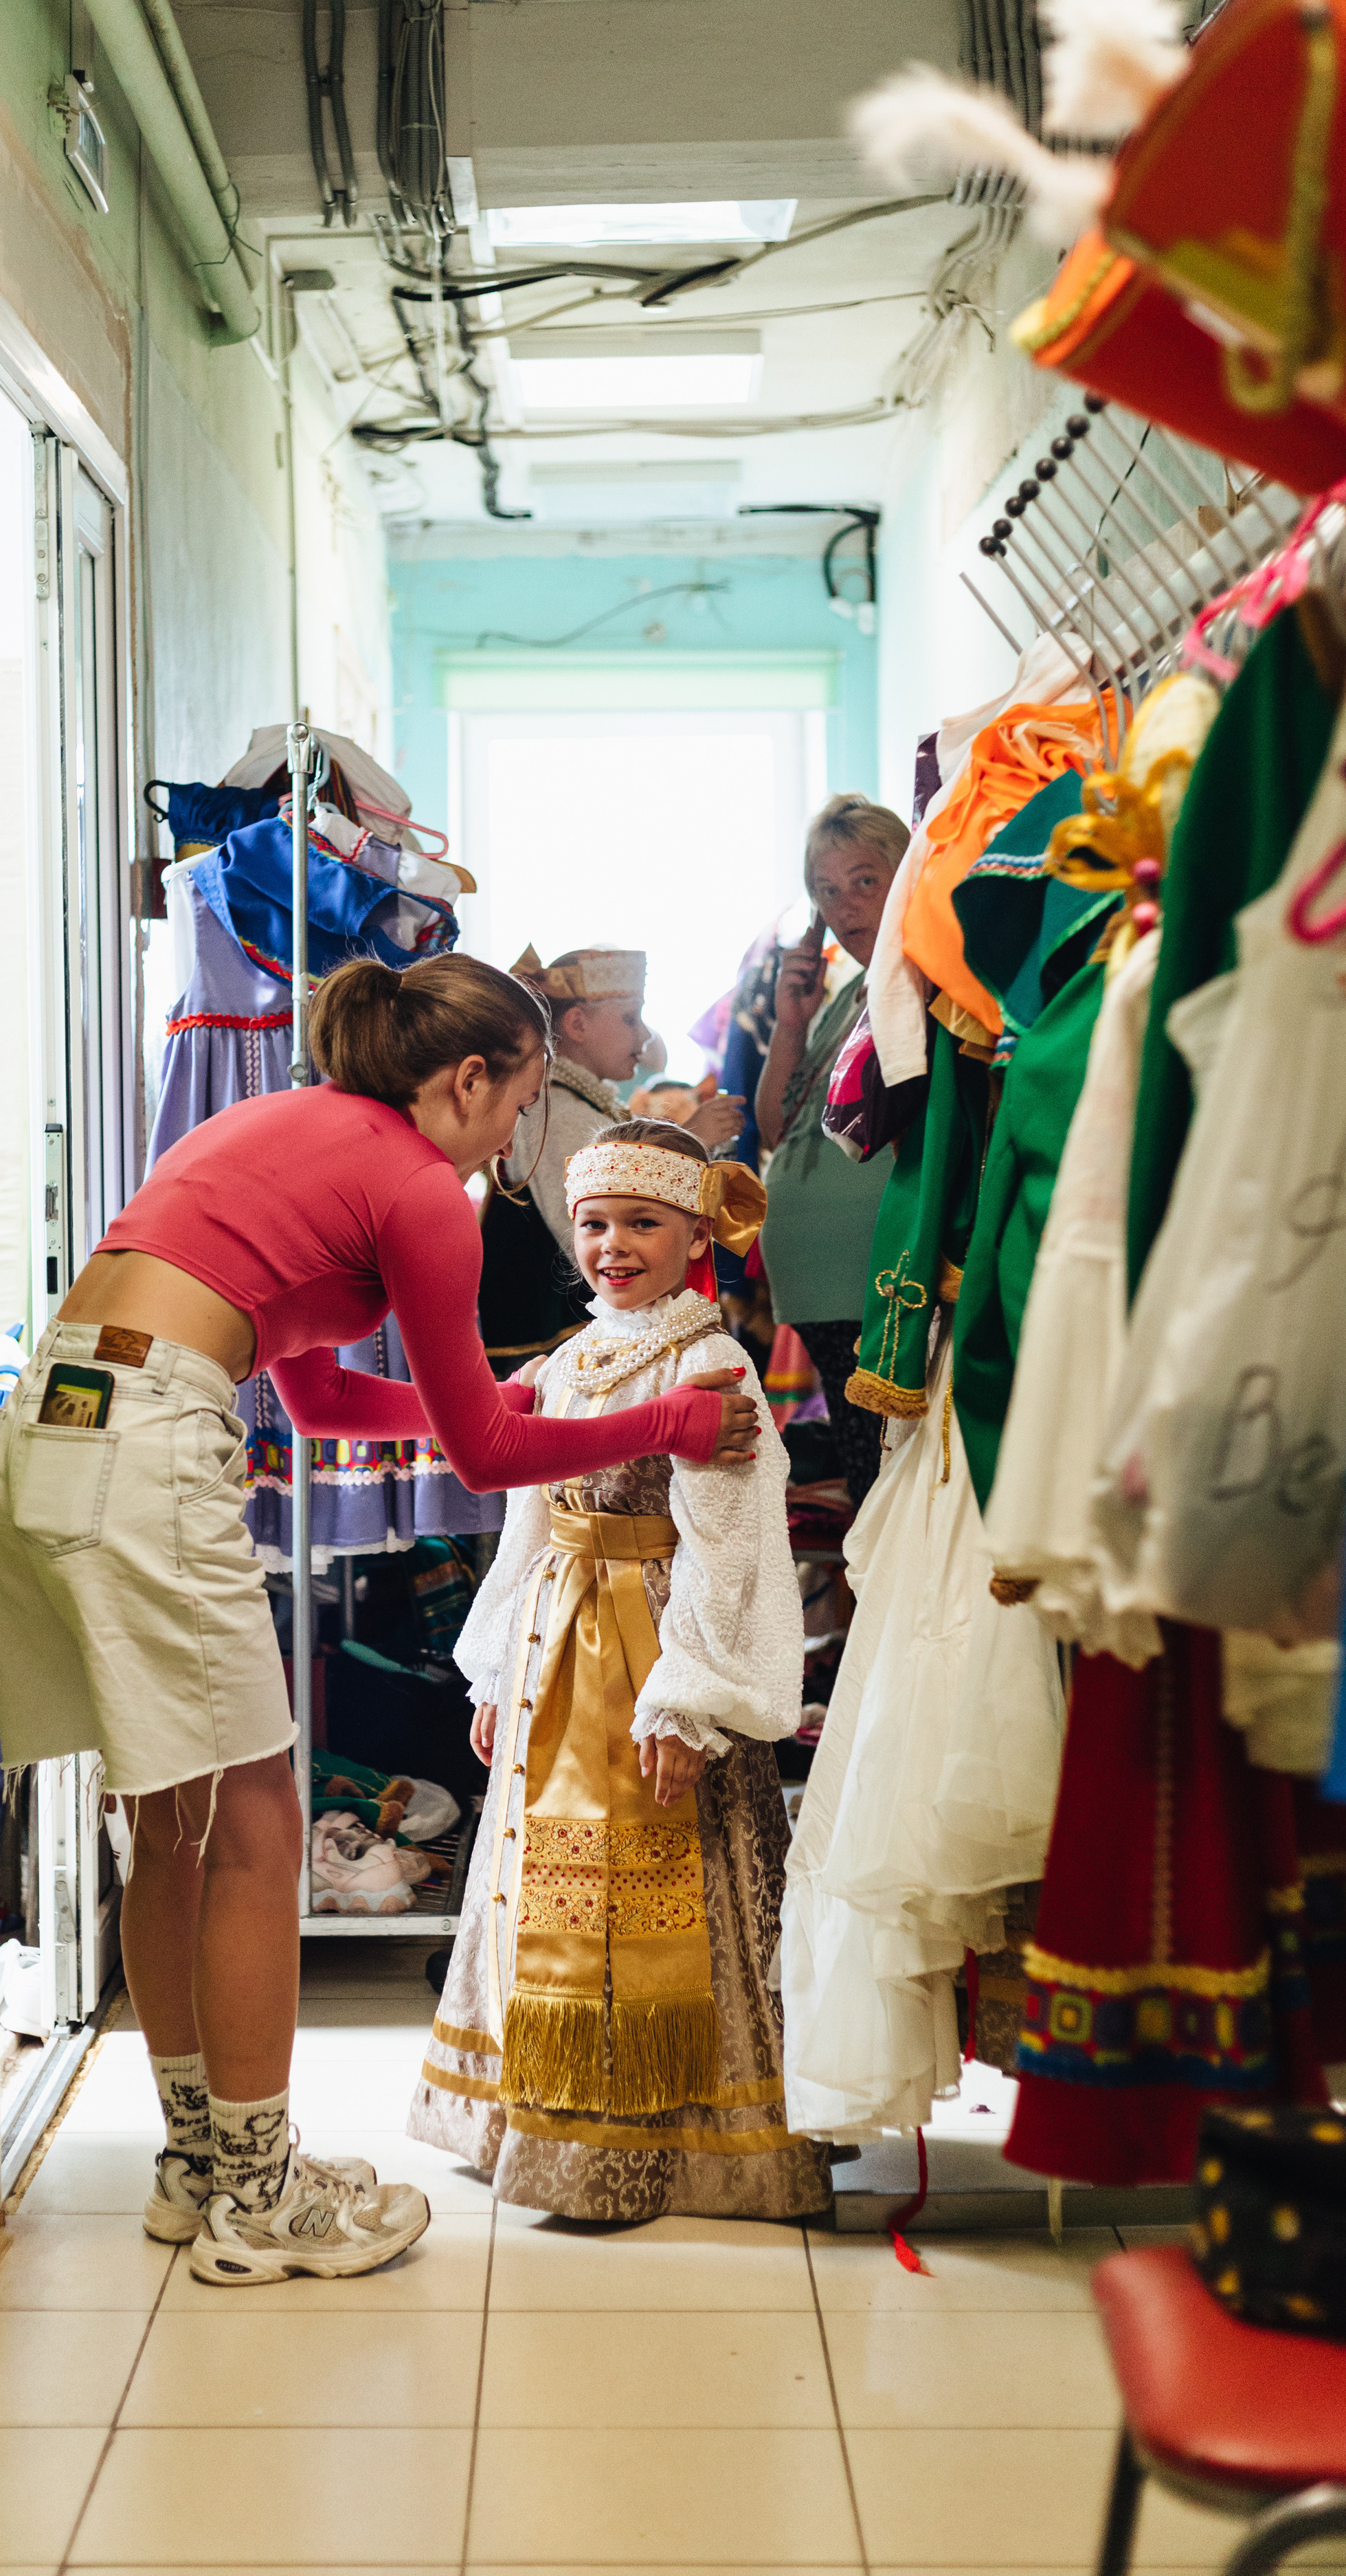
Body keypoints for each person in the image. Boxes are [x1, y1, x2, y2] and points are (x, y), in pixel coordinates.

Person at [0, 954, 760, 2288]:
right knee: (259, 1822)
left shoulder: (274, 1125)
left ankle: (201, 2163)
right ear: (466, 1079)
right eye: (516, 1104)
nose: (518, 1135)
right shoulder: (416, 1188)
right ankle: (265, 2199)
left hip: (56, 1424)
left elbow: (334, 1406)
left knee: (174, 1820)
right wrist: (664, 1422)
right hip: (151, 1446)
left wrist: (555, 1413)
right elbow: (487, 1456)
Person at [410, 1120, 830, 2221]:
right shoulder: (574, 1354)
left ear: (696, 1233)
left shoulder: (710, 1361)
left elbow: (731, 1543)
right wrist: (497, 1667)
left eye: (642, 1223)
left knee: (646, 1886)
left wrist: (688, 1699)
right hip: (559, 1637)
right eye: (594, 1223)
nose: (612, 1246)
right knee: (543, 1879)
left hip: (649, 1646)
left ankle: (655, 2145)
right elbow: (527, 1523)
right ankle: (534, 2112)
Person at [478, 946, 745, 1373]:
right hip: (551, 1338)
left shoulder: (577, 1101)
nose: (644, 1037)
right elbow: (583, 1225)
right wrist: (692, 1139)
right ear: (578, 1024)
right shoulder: (556, 1107)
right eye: (629, 1018)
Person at [755, 794, 910, 1510]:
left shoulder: (917, 977)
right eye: (827, 890)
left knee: (886, 1487)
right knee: (868, 1480)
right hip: (825, 1289)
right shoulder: (850, 997)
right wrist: (792, 1024)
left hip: (877, 1278)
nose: (845, 907)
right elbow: (773, 1128)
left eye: (863, 881)